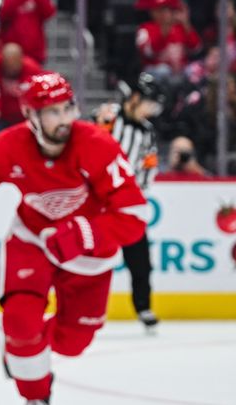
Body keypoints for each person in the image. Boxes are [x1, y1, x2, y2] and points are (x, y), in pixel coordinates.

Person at [0, 72, 147, 404]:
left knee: (73, 342)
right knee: (21, 323)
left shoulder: (97, 145)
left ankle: (22, 344)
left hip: (88, 252)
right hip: (32, 241)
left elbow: (134, 218)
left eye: (67, 108)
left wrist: (82, 233)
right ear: (30, 116)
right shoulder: (9, 146)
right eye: (53, 112)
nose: (64, 119)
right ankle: (35, 394)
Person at [94, 73, 163, 331]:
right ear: (135, 98)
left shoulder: (147, 133)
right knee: (87, 254)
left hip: (125, 204)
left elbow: (148, 168)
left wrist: (136, 196)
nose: (152, 110)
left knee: (140, 258)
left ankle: (143, 306)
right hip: (95, 202)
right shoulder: (107, 117)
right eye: (150, 103)